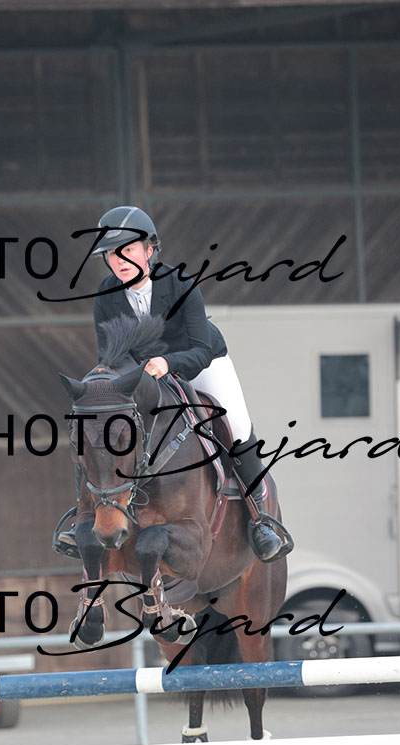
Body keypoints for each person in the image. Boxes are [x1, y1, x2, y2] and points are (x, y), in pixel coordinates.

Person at [54, 205, 291, 562]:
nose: (119, 260)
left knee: (238, 426)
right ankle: (82, 515)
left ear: (149, 250)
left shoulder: (180, 285)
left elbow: (200, 349)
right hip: (144, 373)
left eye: (128, 250)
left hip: (198, 362)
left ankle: (260, 519)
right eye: (112, 254)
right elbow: (110, 355)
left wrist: (168, 363)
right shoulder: (106, 294)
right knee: (95, 428)